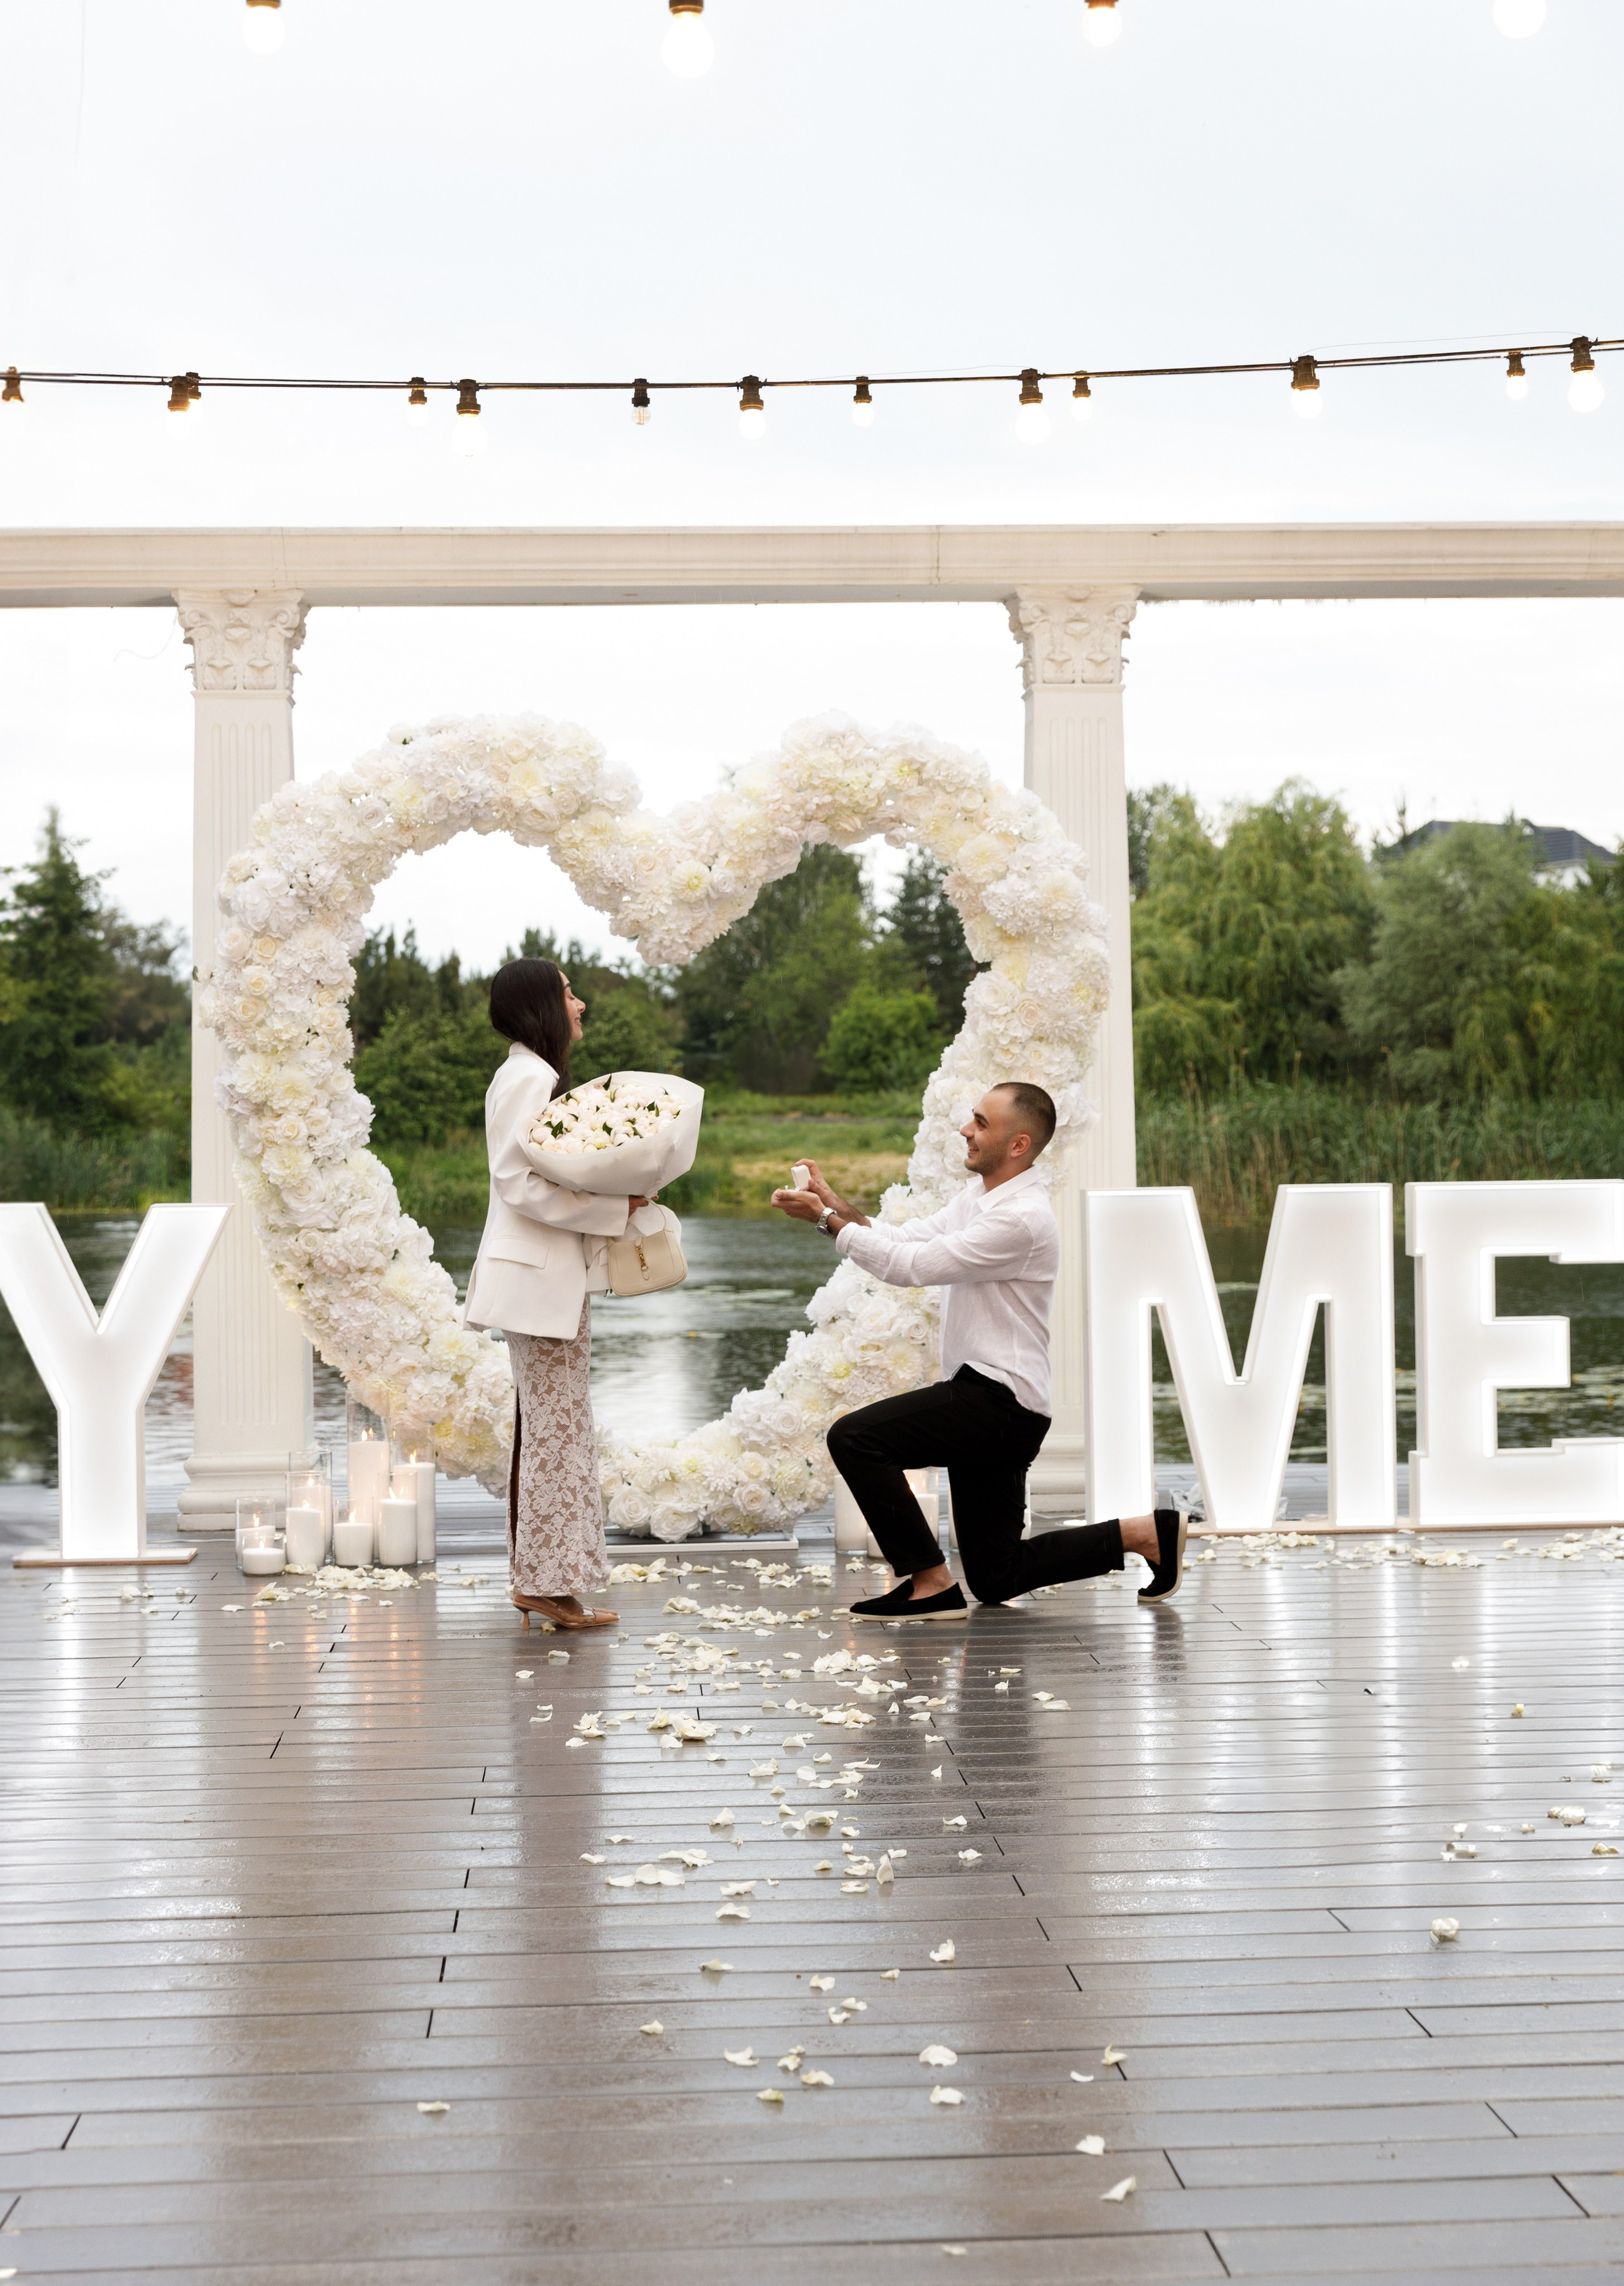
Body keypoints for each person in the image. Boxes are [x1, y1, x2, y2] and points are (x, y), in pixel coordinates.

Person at [771, 1082, 1186, 1620]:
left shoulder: (1019, 1219)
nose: (966, 1129)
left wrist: (826, 1224)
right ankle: (1146, 1533)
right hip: (1000, 1405)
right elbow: (905, 1239)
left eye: (981, 1122)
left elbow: (913, 1269)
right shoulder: (985, 1200)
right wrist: (834, 1205)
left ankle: (931, 1583)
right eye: (972, 1118)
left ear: (1018, 1144)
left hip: (997, 1401)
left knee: (855, 1437)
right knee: (998, 1576)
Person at [464, 957, 650, 1632]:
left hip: (547, 1280)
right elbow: (518, 1182)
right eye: (569, 993)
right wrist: (613, 1206)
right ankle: (542, 1584)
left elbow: (544, 1173)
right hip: (538, 1281)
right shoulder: (531, 1076)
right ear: (542, 1004)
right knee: (553, 1431)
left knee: (555, 1429)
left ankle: (549, 1581)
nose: (580, 1004)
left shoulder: (527, 1073)